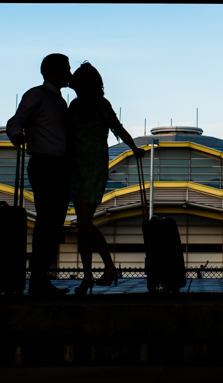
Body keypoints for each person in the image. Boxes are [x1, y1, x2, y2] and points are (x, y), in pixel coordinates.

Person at [66, 61, 145, 295]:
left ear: (86, 80)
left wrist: (133, 147)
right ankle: (88, 277)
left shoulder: (100, 104)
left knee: (83, 222)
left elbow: (117, 128)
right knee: (82, 225)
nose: (73, 76)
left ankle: (108, 268)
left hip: (92, 167)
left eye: (78, 74)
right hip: (77, 167)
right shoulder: (74, 105)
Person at [6, 53, 72, 298]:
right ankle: (38, 279)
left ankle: (40, 278)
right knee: (48, 222)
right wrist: (15, 135)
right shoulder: (38, 95)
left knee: (52, 224)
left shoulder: (57, 99)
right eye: (66, 68)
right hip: (46, 164)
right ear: (55, 70)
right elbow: (16, 120)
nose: (69, 72)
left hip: (56, 165)